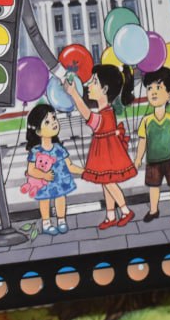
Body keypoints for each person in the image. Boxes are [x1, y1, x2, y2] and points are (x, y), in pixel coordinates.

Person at [64, 64, 136, 228]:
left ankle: (125, 211)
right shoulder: (107, 111)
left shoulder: (105, 115)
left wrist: (74, 94)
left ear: (104, 89)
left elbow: (87, 115)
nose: (89, 85)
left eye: (94, 81)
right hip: (105, 151)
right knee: (105, 182)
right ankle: (110, 215)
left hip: (107, 153)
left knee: (109, 183)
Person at [134, 67, 170, 221]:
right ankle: (153, 210)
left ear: (169, 95)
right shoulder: (146, 121)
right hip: (153, 161)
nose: (153, 92)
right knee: (153, 187)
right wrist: (138, 158)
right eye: (149, 88)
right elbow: (142, 141)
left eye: (158, 88)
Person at [23, 104, 82, 236]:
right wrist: (44, 175)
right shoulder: (36, 151)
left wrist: (84, 171)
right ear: (38, 131)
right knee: (44, 200)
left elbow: (70, 166)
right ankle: (46, 223)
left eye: (54, 118)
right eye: (47, 122)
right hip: (44, 183)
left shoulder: (59, 148)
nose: (54, 122)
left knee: (60, 198)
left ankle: (61, 220)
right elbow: (31, 170)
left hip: (60, 182)